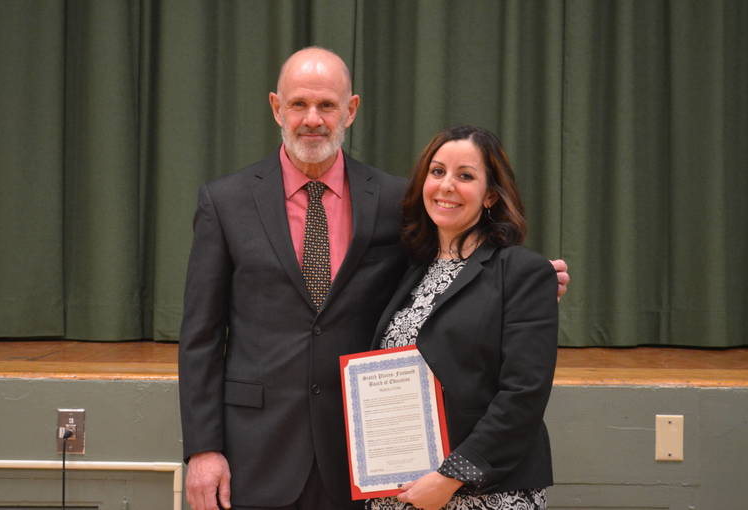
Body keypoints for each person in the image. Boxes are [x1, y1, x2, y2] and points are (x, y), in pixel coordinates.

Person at [178, 47, 569, 510]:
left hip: (366, 454)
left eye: (327, 105)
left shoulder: (395, 199)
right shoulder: (225, 202)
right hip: (259, 449)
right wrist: (203, 450)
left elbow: (454, 270)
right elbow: (201, 336)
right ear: (275, 107)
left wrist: (528, 285)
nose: (313, 119)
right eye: (299, 104)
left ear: (352, 110)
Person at [368, 126, 558, 510]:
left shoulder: (522, 272)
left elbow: (523, 396)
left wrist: (450, 477)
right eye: (437, 172)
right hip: (401, 491)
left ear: (490, 194)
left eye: (465, 175)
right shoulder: (406, 270)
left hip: (484, 493)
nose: (446, 186)